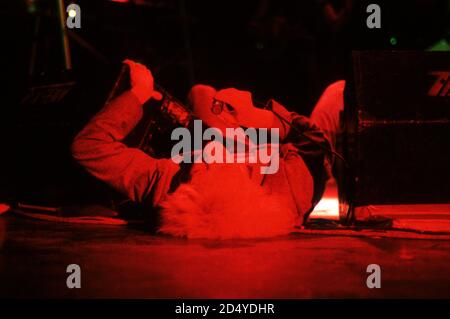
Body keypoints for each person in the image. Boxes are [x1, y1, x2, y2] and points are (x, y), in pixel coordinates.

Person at [71, 59, 343, 239]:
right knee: (207, 98)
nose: (209, 153)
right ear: (249, 177)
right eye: (221, 161)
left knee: (201, 95)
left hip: (202, 133)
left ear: (186, 187)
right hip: (256, 135)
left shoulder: (167, 183)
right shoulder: (287, 187)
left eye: (200, 167)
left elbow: (88, 148)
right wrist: (273, 121)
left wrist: (138, 94)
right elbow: (317, 142)